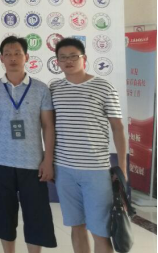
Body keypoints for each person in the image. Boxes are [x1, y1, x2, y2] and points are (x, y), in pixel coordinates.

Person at [51, 37, 127, 253]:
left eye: (73, 56)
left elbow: (118, 128)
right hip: (64, 170)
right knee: (76, 226)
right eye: (63, 57)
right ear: (57, 62)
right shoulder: (55, 88)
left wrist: (121, 167)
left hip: (96, 171)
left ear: (84, 58)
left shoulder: (104, 87)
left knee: (100, 231)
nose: (68, 61)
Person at [0, 36, 57, 253]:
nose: (13, 58)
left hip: (33, 164)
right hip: (0, 162)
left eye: (17, 53)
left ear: (27, 57)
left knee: (36, 216)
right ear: (1, 58)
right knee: (4, 216)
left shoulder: (41, 89)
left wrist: (48, 160)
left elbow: (48, 126)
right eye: (8, 54)